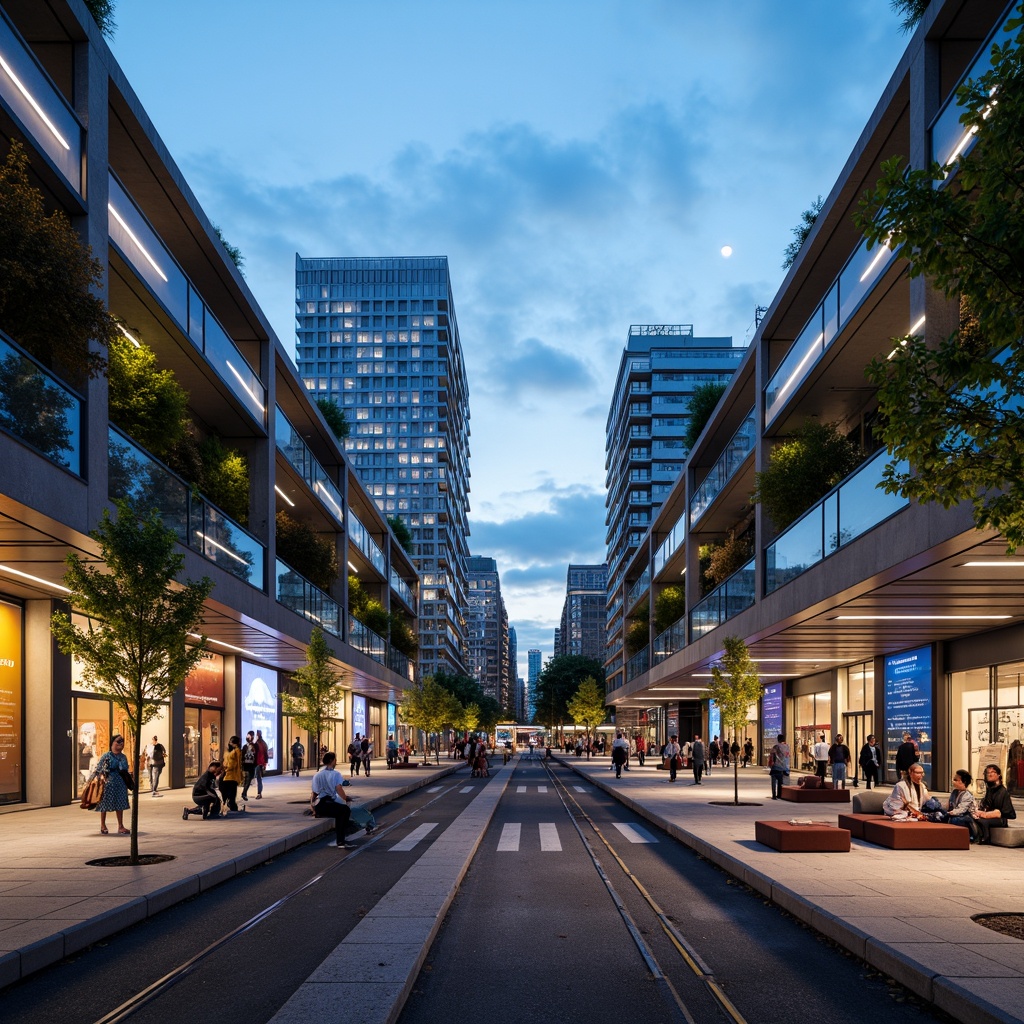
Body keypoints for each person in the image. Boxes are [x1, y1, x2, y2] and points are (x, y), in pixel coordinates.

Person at [311, 751, 355, 849]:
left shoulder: (317, 775)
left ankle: (341, 838)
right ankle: (341, 840)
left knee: (339, 809)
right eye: (335, 760)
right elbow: (339, 788)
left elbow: (314, 793)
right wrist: (346, 798)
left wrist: (313, 808)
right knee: (344, 811)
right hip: (328, 804)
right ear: (331, 761)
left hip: (319, 806)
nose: (336, 762)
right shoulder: (335, 774)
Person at [90, 734, 132, 835]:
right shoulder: (106, 755)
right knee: (104, 804)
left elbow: (125, 769)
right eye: (118, 741)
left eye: (122, 741)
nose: (121, 743)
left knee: (120, 804)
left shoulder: (123, 757)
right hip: (107, 783)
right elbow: (99, 768)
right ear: (112, 743)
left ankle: (121, 826)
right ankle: (103, 825)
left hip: (120, 783)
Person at [973, 763, 1017, 843]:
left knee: (983, 821)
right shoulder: (990, 790)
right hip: (989, 815)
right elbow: (985, 805)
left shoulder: (1003, 791)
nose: (989, 774)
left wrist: (991, 814)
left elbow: (1008, 812)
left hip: (1000, 819)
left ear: (998, 775)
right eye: (988, 772)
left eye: (992, 772)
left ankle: (986, 838)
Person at [934, 769, 978, 838]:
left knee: (954, 820)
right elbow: (948, 806)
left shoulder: (967, 795)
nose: (953, 781)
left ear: (963, 782)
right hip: (954, 814)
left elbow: (961, 810)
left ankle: (970, 833)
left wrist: (949, 813)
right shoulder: (954, 792)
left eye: (955, 780)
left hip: (966, 816)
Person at [221, 736, 242, 812]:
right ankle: (230, 804)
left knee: (231, 792)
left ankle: (232, 805)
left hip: (231, 775)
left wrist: (227, 768)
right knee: (228, 791)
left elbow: (235, 763)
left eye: (231, 742)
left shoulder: (236, 751)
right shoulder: (233, 751)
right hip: (229, 775)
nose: (229, 743)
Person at [769, 734, 790, 799]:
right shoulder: (787, 746)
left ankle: (774, 795)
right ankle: (779, 795)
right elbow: (787, 756)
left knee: (773, 781)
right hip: (783, 767)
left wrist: (771, 763)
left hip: (776, 766)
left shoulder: (776, 746)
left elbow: (772, 754)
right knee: (780, 782)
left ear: (778, 739)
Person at [240, 731, 257, 801]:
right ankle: (244, 793)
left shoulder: (246, 746)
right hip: (250, 765)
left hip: (247, 765)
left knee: (248, 779)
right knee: (248, 779)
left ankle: (244, 793)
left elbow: (242, 756)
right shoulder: (253, 746)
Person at [254, 729, 269, 798]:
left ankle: (259, 793)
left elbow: (265, 754)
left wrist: (265, 763)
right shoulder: (258, 743)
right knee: (258, 778)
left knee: (258, 777)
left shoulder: (261, 743)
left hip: (259, 763)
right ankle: (259, 793)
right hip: (258, 763)